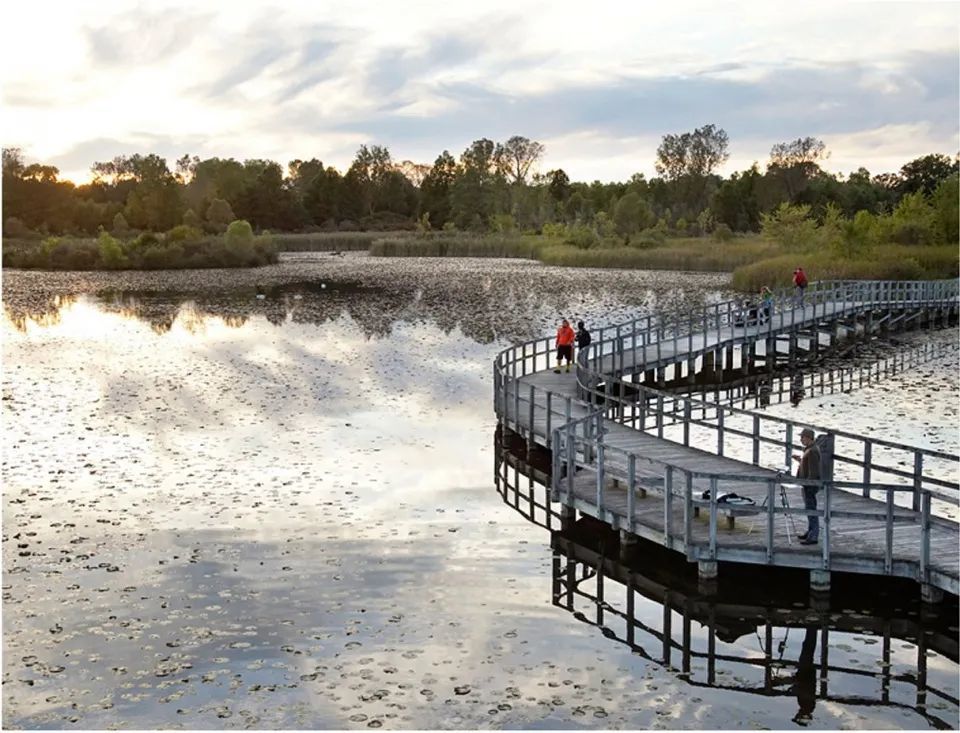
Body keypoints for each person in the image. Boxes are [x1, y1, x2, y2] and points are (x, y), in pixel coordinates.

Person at [793, 427, 821, 544]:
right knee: (809, 509)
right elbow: (807, 465)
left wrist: (808, 485)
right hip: (806, 484)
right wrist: (800, 460)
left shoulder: (813, 450)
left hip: (810, 485)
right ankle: (810, 531)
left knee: (811, 509)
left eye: (802, 437)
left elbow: (814, 471)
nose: (801, 439)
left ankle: (813, 536)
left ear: (809, 438)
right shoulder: (808, 449)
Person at [791, 627, 818, 725]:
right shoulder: (807, 705)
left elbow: (803, 689)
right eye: (797, 716)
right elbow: (805, 689)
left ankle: (811, 629)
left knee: (807, 648)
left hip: (806, 673)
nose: (797, 713)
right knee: (808, 648)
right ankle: (812, 629)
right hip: (806, 672)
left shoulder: (805, 705)